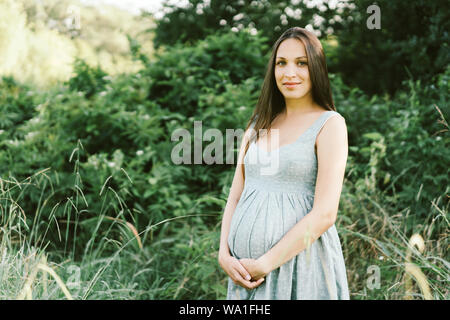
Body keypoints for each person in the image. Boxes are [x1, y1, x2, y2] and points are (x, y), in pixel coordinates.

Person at [218, 27, 350, 300]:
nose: (290, 73)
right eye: (282, 63)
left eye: (301, 63)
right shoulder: (258, 124)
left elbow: (325, 214)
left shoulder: (330, 124)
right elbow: (235, 196)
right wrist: (224, 254)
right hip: (244, 272)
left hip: (298, 268)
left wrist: (265, 263)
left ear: (317, 68)